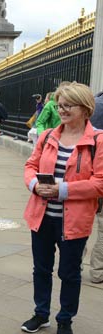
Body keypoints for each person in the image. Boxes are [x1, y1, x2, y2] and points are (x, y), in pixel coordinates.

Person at [21, 82, 103, 334]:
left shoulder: (98, 141)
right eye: (60, 105)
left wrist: (62, 190)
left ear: (85, 108)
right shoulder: (47, 137)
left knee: (69, 273)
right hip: (42, 215)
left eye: (69, 105)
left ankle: (65, 319)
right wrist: (34, 184)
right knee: (41, 269)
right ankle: (41, 313)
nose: (62, 110)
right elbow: (30, 165)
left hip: (74, 221)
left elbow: (99, 182)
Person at [88, 91, 103, 283]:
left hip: (85, 171)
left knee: (83, 220)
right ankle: (98, 271)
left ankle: (72, 262)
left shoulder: (92, 103)